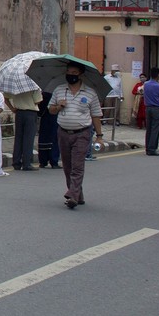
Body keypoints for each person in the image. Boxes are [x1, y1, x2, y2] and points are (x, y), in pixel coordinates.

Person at [48, 65, 104, 209]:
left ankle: (72, 195)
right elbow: (51, 110)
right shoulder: (59, 90)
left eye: (74, 73)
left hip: (82, 133)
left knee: (77, 166)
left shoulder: (90, 93)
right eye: (68, 72)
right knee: (67, 166)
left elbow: (96, 115)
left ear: (80, 75)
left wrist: (99, 136)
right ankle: (78, 194)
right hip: (63, 132)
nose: (70, 75)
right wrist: (58, 106)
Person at [4, 85, 41, 171]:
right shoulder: (34, 85)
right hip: (30, 113)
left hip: (19, 113)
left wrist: (12, 109)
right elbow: (37, 101)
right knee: (28, 139)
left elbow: (6, 99)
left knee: (18, 138)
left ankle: (16, 162)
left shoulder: (14, 85)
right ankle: (27, 163)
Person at [142, 67, 159, 156]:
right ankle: (152, 148)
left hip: (148, 108)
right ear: (158, 75)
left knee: (148, 128)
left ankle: (147, 148)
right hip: (156, 108)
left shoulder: (146, 84)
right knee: (155, 129)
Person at [37, 92, 61, 169]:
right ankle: (54, 161)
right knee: (54, 139)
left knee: (44, 138)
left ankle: (42, 161)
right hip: (54, 117)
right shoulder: (57, 93)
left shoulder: (43, 93)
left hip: (44, 117)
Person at [104, 64, 124, 128]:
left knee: (117, 109)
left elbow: (120, 87)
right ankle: (105, 119)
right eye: (115, 71)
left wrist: (122, 95)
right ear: (112, 71)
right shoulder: (106, 77)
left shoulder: (119, 78)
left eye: (117, 71)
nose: (116, 72)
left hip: (117, 95)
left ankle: (116, 120)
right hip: (109, 95)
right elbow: (103, 85)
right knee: (107, 108)